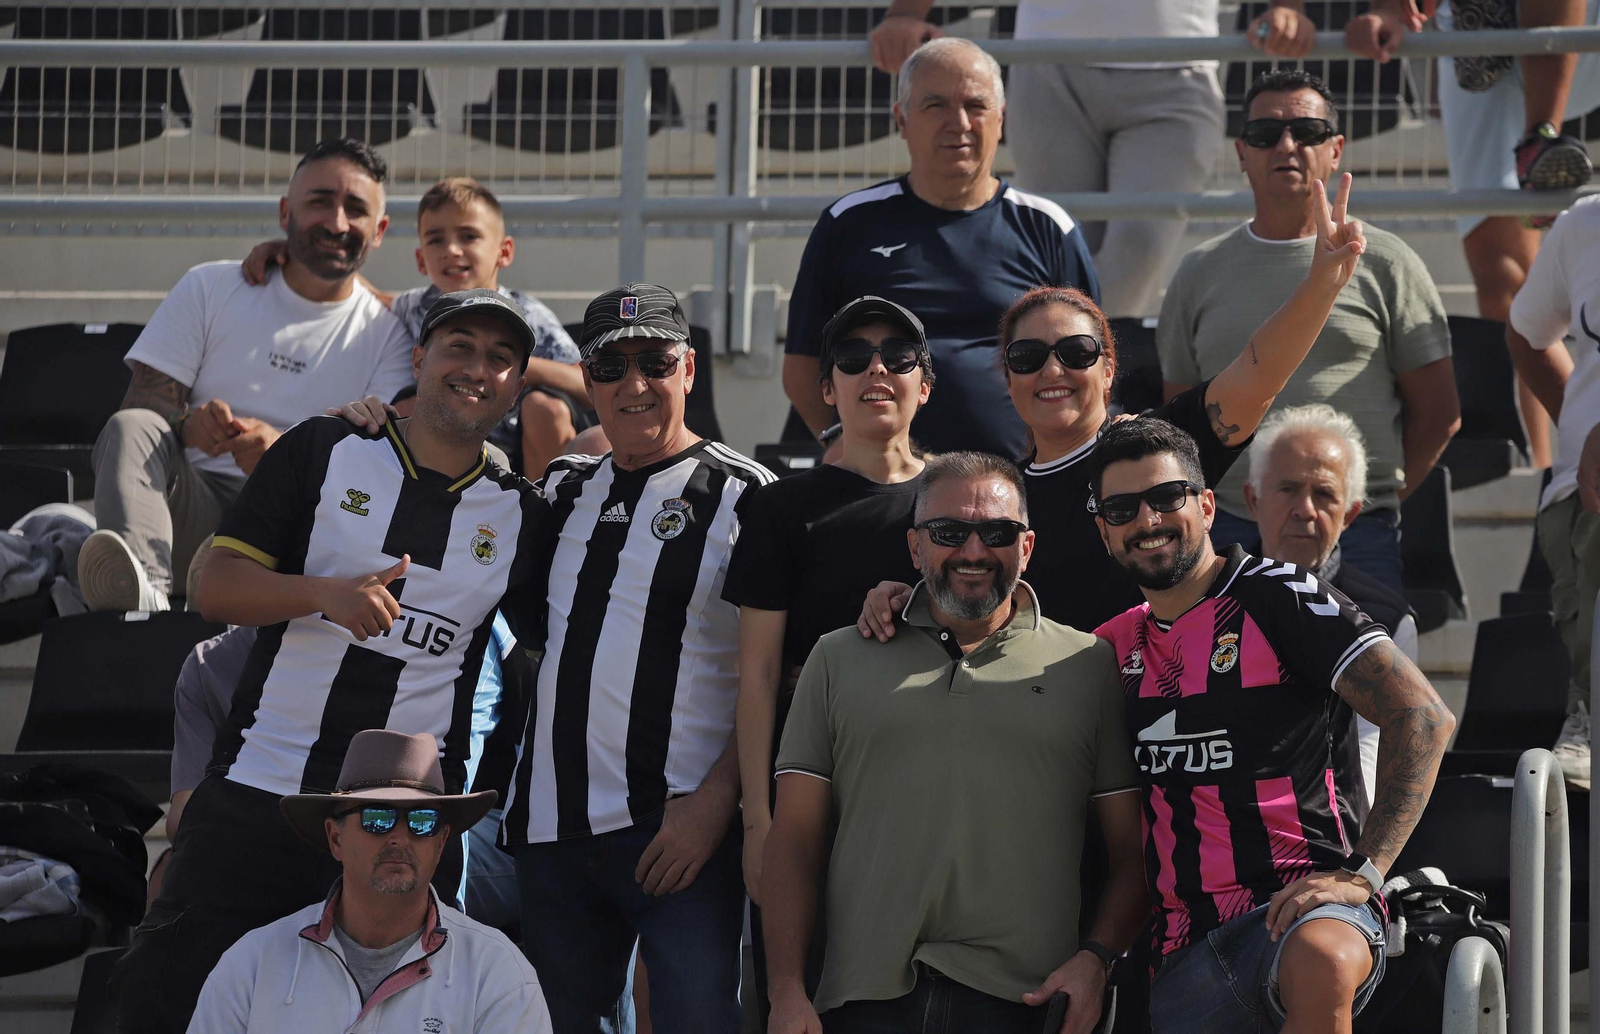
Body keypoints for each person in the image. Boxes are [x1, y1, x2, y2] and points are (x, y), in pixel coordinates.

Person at [109, 289, 545, 1034]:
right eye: (460, 347)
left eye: (501, 358)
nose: (479, 369)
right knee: (163, 1008)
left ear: (517, 386)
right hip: (263, 788)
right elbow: (214, 587)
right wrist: (322, 596)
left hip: (403, 818)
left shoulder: (523, 512)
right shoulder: (323, 447)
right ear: (419, 359)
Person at [858, 172, 1368, 638]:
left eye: (1076, 353)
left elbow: (1258, 376)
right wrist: (898, 597)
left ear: (1108, 370)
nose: (1053, 371)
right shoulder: (996, 499)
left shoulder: (1160, 451)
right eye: (1029, 356)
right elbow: (962, 590)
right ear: (1008, 377)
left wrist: (1322, 283)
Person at [1086, 418, 1455, 1034]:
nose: (1147, 520)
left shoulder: (1281, 594)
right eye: (1123, 507)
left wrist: (1363, 873)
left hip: (1301, 910)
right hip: (1178, 953)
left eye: (1166, 498)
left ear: (1205, 505)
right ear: (1104, 530)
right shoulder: (1109, 646)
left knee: (1322, 959)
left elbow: (1421, 715)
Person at [764, 452, 1147, 1034]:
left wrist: (1096, 961)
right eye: (949, 532)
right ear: (916, 547)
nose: (973, 552)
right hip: (859, 1002)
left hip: (1025, 1005)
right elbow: (792, 841)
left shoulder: (1089, 664)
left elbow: (1133, 855)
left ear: (1027, 546)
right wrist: (786, 990)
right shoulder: (837, 657)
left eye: (997, 532)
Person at [498, 283, 774, 1033]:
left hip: (680, 832)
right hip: (552, 833)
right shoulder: (560, 487)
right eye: (611, 366)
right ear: (587, 382)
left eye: (654, 361)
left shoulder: (749, 497)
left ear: (689, 369)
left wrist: (719, 803)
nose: (635, 383)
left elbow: (787, 678)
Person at [79, 138, 414, 613]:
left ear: (379, 230)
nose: (337, 223)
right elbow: (142, 406)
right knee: (132, 428)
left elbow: (380, 472)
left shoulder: (392, 335)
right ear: (285, 213)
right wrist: (188, 427)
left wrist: (283, 456)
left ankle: (208, 580)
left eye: (355, 209)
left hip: (293, 530)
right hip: (190, 505)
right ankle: (146, 602)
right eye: (320, 202)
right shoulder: (211, 286)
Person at [1159, 69, 1458, 593]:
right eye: (1264, 134)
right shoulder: (1197, 272)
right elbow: (1183, 423)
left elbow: (1439, 410)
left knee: (1360, 676)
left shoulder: (1387, 262)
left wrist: (1352, 497)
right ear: (1241, 152)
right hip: (1226, 529)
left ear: (1337, 148)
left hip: (1356, 529)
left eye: (1308, 132)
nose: (1287, 145)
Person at [722, 295, 933, 1010]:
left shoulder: (965, 499)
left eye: (898, 356)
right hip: (811, 806)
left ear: (924, 383)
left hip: (929, 804)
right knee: (801, 1000)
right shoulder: (783, 507)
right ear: (827, 389)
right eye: (853, 357)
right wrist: (759, 823)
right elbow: (755, 673)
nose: (876, 369)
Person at [868, 1, 1303, 317]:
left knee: (1138, 249)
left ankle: (1077, 389)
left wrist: (1286, 6)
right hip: (1048, 63)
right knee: (1052, 255)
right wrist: (906, 12)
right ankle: (1063, 401)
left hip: (1177, 69)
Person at [783, 37, 1098, 461]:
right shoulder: (848, 223)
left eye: (976, 105)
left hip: (1023, 488)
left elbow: (1093, 362)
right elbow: (802, 366)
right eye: (936, 106)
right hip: (886, 484)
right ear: (901, 119)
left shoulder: (1048, 226)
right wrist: (839, 439)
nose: (960, 122)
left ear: (1001, 118)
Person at [1343, 0, 1600, 468]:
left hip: (1584, 25)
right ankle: (1547, 464)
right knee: (1503, 279)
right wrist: (1389, 11)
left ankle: (1542, 135)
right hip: (1476, 34)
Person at [188, 729, 552, 1032]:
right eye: (377, 817)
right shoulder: (250, 966)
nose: (399, 836)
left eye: (422, 820)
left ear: (440, 844)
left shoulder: (498, 973)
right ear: (335, 838)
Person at [242, 176, 591, 479]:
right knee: (406, 404)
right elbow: (367, 292)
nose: (451, 250)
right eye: (436, 239)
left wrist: (513, 368)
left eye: (468, 236)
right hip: (452, 438)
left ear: (504, 251)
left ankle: (544, 516)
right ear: (421, 259)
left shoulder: (527, 311)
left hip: (519, 445)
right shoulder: (416, 305)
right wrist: (291, 254)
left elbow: (581, 380)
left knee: (547, 409)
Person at [1242, 402, 1422, 808]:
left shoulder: (1385, 621)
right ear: (1252, 500)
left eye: (1324, 494)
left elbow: (1372, 758)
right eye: (1287, 489)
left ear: (1350, 515)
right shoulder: (1205, 596)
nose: (1305, 510)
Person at [1506, 193, 1600, 790]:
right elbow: (1527, 334)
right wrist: (1579, 428)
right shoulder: (1585, 223)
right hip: (1583, 499)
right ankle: (1589, 707)